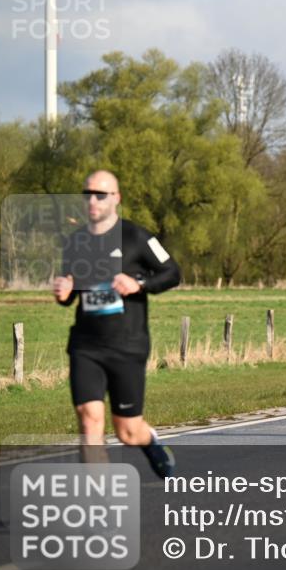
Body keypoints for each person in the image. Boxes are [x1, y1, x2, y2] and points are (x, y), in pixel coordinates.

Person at [53, 170, 181, 478]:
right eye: (87, 195)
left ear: (116, 199)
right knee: (89, 420)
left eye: (100, 194)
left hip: (127, 345)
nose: (92, 201)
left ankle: (149, 441)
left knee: (127, 431)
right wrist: (64, 293)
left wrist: (139, 284)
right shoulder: (76, 241)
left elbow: (173, 273)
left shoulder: (138, 237)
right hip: (86, 345)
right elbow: (72, 292)